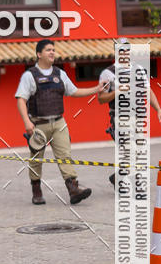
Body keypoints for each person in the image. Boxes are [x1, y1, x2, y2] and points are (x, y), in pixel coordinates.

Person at [15, 39, 107, 205]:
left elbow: (74, 91)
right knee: (36, 159)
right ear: (39, 54)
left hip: (59, 122)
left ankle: (73, 189)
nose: (52, 52)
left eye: (53, 50)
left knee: (65, 156)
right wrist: (26, 122)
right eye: (48, 50)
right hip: (38, 124)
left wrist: (96, 89)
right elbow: (21, 100)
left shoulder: (60, 73)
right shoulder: (29, 75)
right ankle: (36, 190)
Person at [97, 40, 161, 185]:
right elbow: (101, 99)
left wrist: (159, 109)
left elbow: (148, 91)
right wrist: (117, 91)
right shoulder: (108, 73)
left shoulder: (139, 69)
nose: (125, 53)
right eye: (121, 50)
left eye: (127, 50)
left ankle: (119, 177)